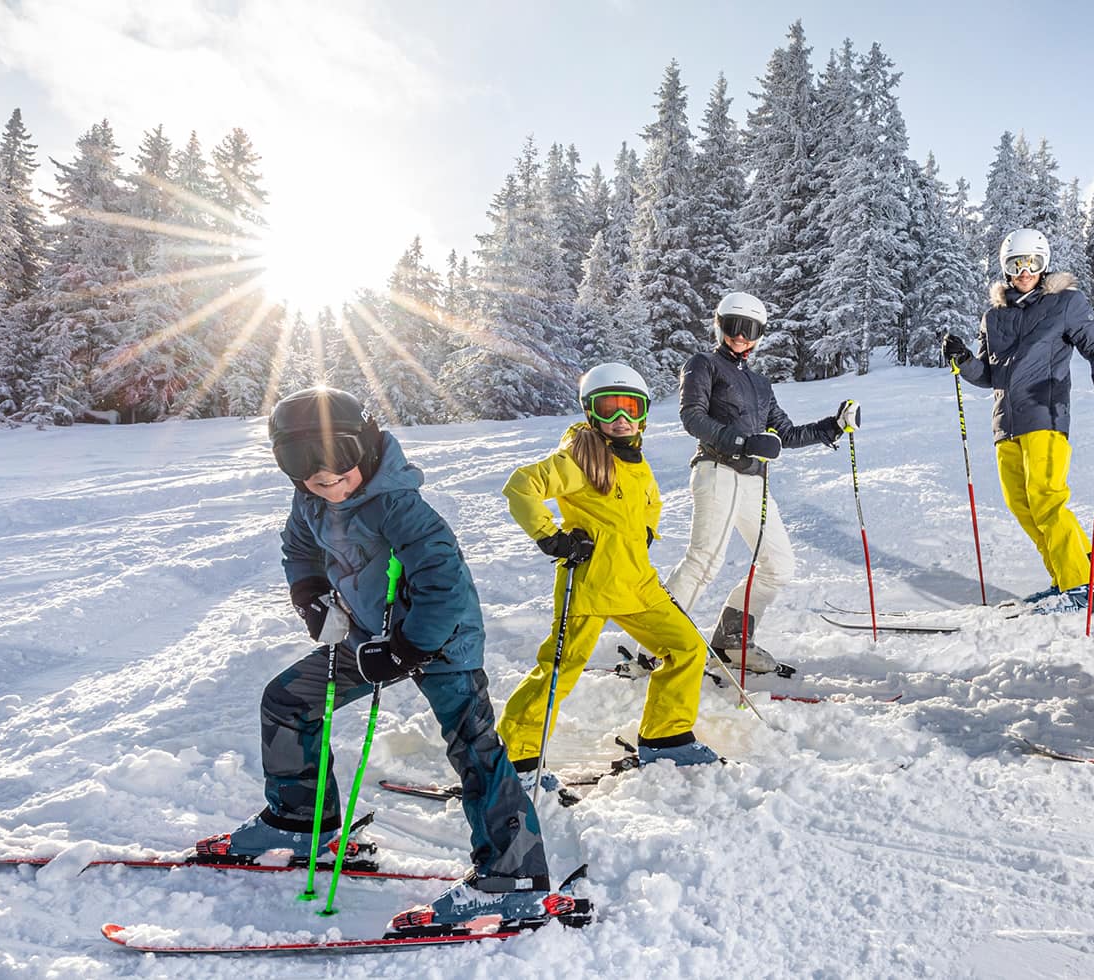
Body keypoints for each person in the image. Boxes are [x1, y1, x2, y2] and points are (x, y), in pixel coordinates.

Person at [194, 387, 577, 936]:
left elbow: (442, 585)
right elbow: (299, 550)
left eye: (337, 457)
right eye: (301, 462)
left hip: (440, 640)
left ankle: (511, 876)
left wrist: (406, 649)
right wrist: (310, 595)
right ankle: (303, 821)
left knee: (473, 744)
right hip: (367, 638)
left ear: (367, 447)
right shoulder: (310, 502)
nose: (324, 476)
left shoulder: (399, 505)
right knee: (289, 701)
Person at [497, 362, 722, 775]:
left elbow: (652, 501)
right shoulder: (579, 459)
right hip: (590, 582)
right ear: (590, 413)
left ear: (643, 414)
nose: (621, 420)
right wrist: (553, 537)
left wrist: (646, 533)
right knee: (560, 669)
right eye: (609, 409)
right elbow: (521, 486)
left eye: (630, 409)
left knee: (687, 648)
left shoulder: (636, 461)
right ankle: (516, 756)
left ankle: (665, 736)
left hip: (638, 584)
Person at [666, 290, 859, 676]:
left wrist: (832, 427)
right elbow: (692, 417)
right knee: (704, 560)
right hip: (716, 470)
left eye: (750, 329)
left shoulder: (759, 384)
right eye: (734, 326)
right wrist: (742, 442)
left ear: (760, 333)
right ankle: (658, 646)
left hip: (753, 480)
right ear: (720, 325)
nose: (741, 336)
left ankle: (732, 640)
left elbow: (784, 433)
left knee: (779, 564)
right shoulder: (703, 364)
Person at [944, 228, 1094, 612]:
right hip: (1005, 424)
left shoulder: (1065, 303)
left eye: (1032, 263)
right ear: (1005, 269)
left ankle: (1079, 589)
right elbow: (989, 375)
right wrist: (964, 362)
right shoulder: (994, 317)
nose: (1025, 271)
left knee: (1047, 502)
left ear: (1044, 264)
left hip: (1045, 414)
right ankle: (1066, 579)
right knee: (1022, 505)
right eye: (1016, 264)